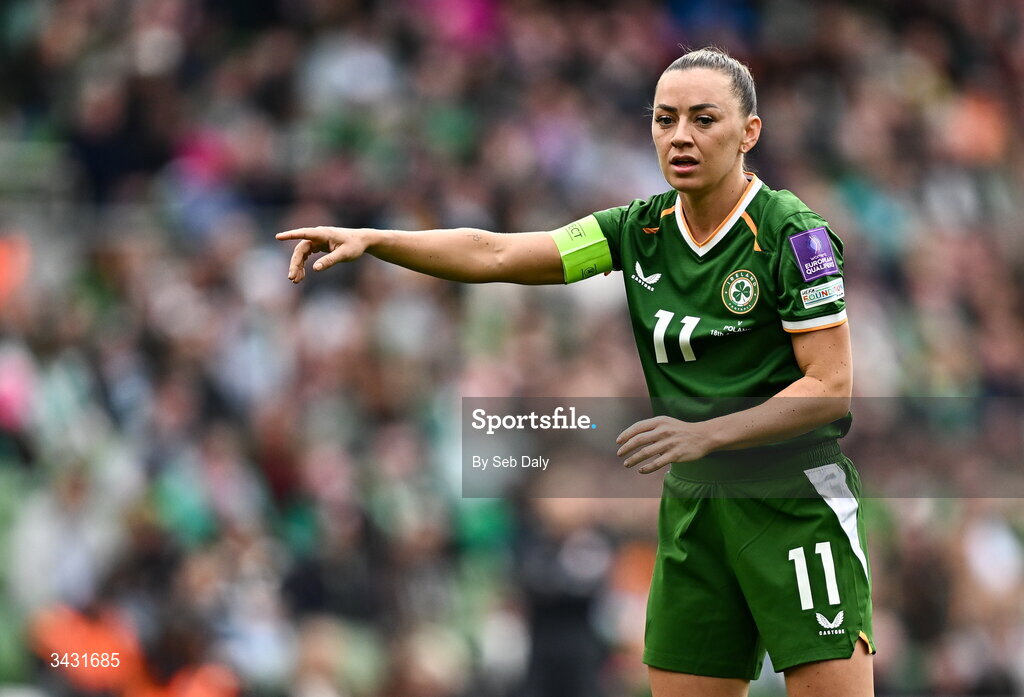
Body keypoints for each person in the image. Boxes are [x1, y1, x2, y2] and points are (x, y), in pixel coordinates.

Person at [277, 46, 875, 697]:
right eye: (664, 118)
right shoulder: (637, 230)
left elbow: (829, 388)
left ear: (748, 132)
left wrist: (708, 433)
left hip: (789, 499)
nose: (679, 135)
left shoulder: (792, 234)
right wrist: (379, 240)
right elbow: (498, 251)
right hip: (697, 505)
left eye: (703, 119)